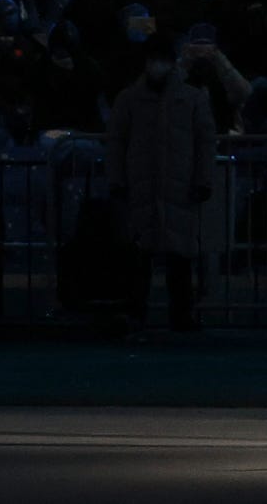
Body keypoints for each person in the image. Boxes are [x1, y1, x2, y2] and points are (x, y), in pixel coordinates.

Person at [106, 33, 217, 331]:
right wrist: (117, 179)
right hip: (150, 184)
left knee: (176, 257)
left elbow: (206, 143)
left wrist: (203, 180)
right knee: (144, 256)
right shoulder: (132, 98)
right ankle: (145, 312)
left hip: (173, 185)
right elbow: (116, 142)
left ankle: (176, 314)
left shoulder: (188, 98)